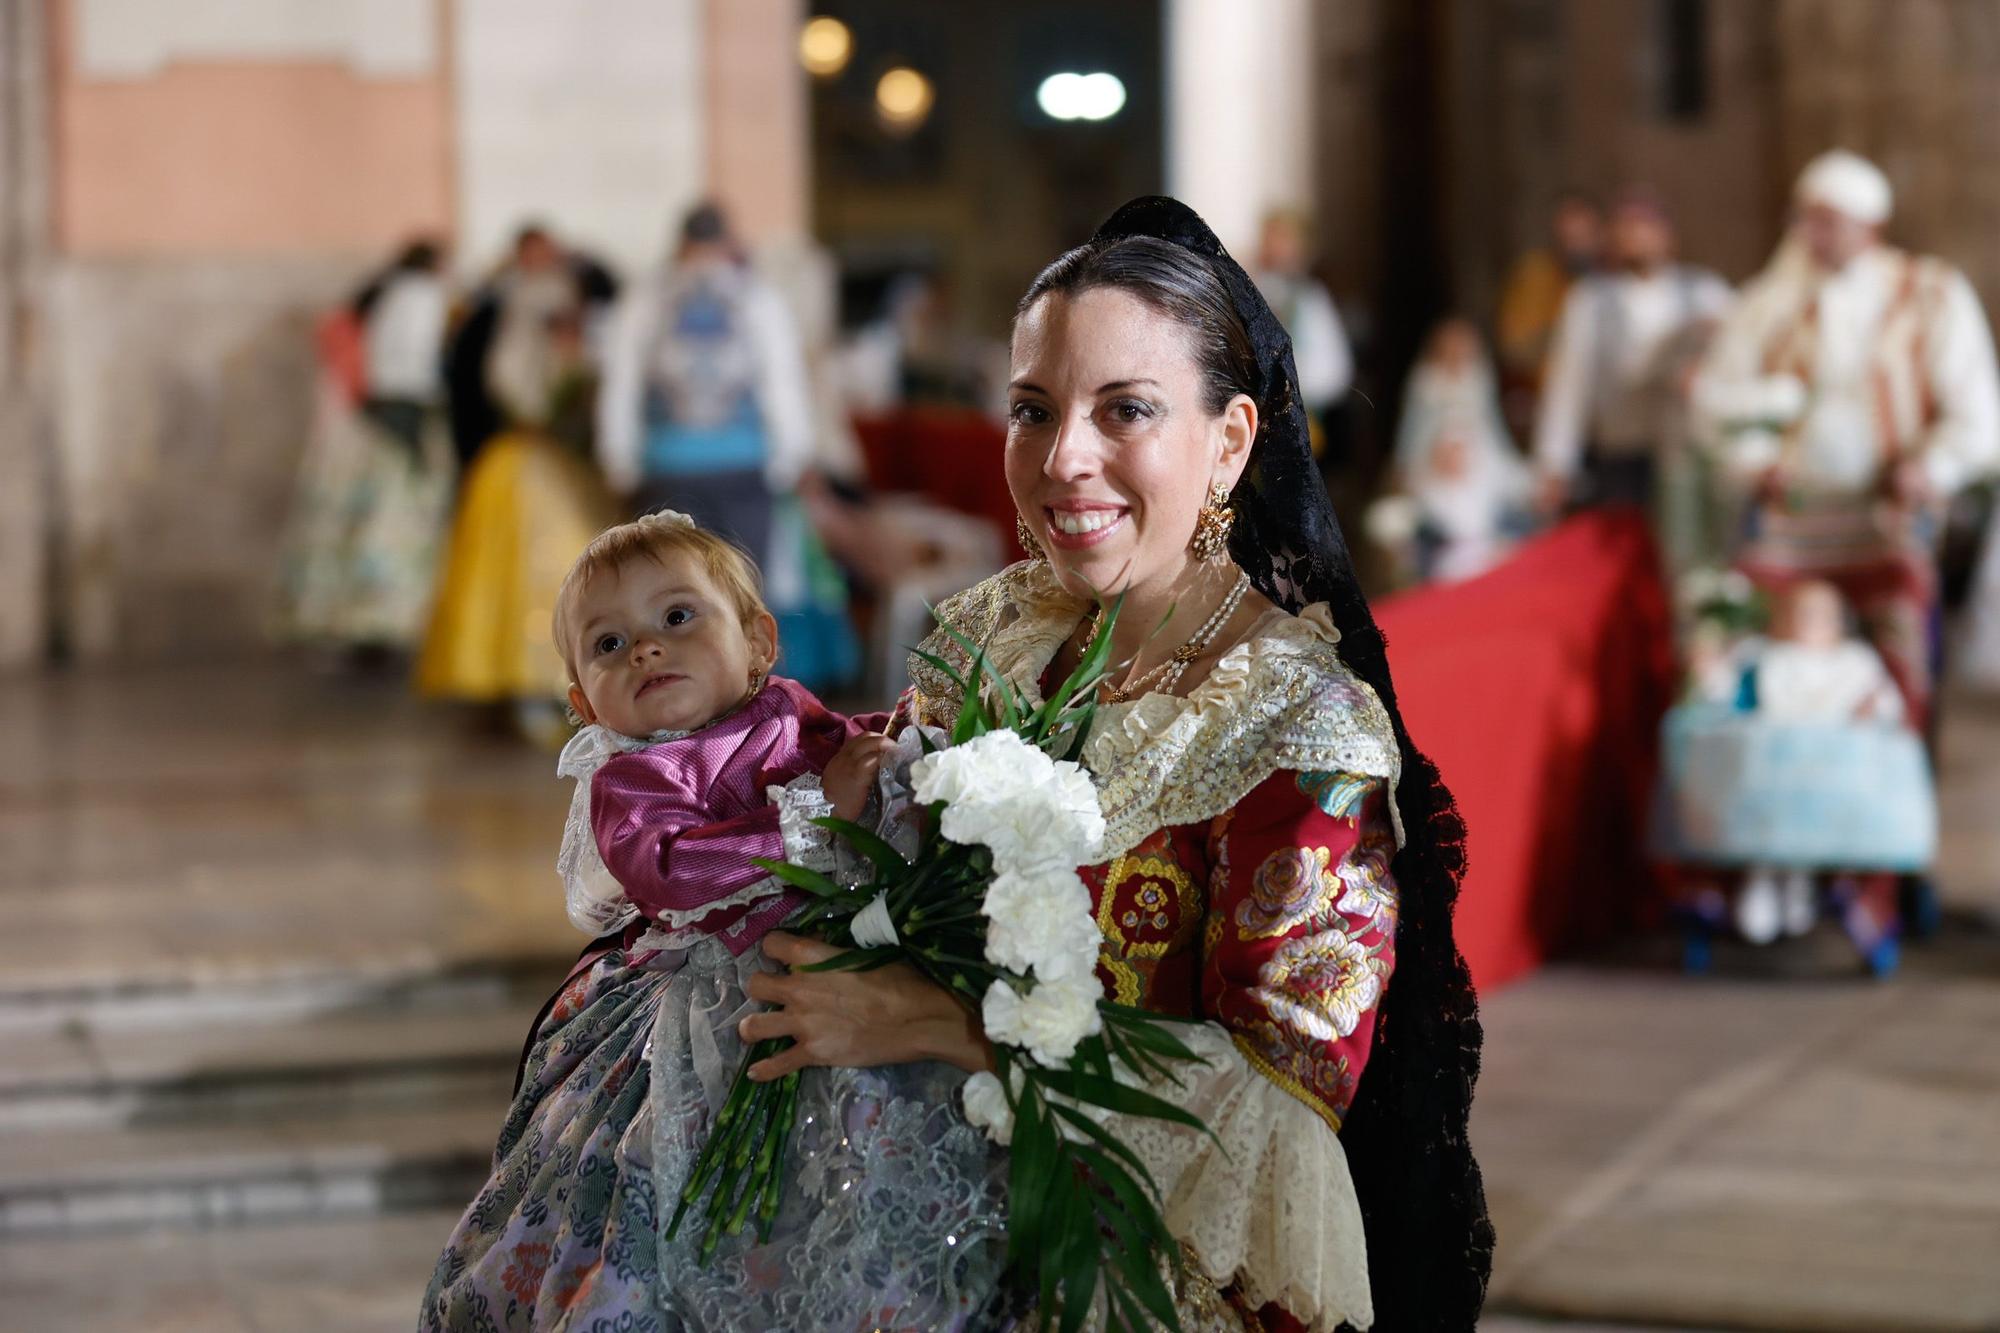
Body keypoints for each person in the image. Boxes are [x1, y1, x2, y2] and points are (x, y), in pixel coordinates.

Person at [747, 198, 1493, 1330]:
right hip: (908, 1248)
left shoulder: (1297, 729)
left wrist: (938, 1024)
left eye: (1125, 410)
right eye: (1031, 410)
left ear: (1231, 441)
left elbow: (1274, 1113)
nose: (1063, 460)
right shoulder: (995, 635)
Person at [422, 511, 1009, 1330]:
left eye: (676, 617)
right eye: (608, 644)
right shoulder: (633, 780)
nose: (646, 649)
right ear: (583, 705)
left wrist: (905, 752)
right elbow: (671, 869)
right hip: (704, 1013)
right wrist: (813, 812)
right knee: (674, 1199)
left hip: (832, 987)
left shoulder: (788, 711)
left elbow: (857, 747)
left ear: (760, 641)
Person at [1692, 149, 2000, 732]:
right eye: (1804, 218)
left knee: (1897, 665)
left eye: (1827, 220)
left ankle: (1899, 792)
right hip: (1791, 519)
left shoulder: (1931, 293)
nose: (1811, 234)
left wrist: (1931, 468)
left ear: (1871, 226)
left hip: (1890, 516)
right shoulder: (1768, 304)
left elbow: (1978, 414)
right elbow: (1716, 404)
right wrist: (1753, 463)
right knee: (1767, 659)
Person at [598, 201, 856, 691]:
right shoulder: (755, 296)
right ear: (727, 241)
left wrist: (621, 459)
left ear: (679, 242)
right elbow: (782, 380)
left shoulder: (648, 297)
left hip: (667, 463)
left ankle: (680, 697)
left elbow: (622, 383)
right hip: (745, 463)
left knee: (670, 590)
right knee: (741, 586)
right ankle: (747, 694)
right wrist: (792, 455)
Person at [418, 228, 614, 736]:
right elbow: (500, 386)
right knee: (522, 568)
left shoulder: (563, 320)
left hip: (558, 462)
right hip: (522, 462)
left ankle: (567, 684)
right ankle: (525, 685)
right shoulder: (502, 316)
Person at [277, 237, 455, 657]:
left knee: (362, 528)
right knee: (396, 528)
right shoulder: (420, 295)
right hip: (401, 422)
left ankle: (358, 632)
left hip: (373, 425)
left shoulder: (385, 293)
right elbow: (409, 365)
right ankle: (384, 629)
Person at [1533, 187, 1731, 513]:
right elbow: (1569, 385)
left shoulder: (1704, 292)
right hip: (1623, 454)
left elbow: (1739, 352)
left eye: (1645, 227)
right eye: (1626, 228)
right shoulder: (1590, 301)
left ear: (1667, 235)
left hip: (1687, 449)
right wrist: (1555, 463)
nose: (1637, 237)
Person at [1369, 317, 1534, 583]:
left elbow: (1489, 425)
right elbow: (1414, 429)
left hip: (1475, 456)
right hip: (1434, 458)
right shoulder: (1426, 381)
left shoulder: (1478, 376)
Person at [1495, 192, 1603, 431]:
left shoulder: (1611, 281)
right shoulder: (1534, 276)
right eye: (1566, 238)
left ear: (1599, 235)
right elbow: (1514, 348)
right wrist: (1566, 327)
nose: (1574, 247)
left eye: (1581, 237)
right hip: (1547, 404)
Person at [1253, 208, 1354, 460]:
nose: (1275, 246)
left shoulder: (1309, 298)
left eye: (1284, 239)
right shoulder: (1250, 284)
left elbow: (1334, 369)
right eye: (1271, 237)